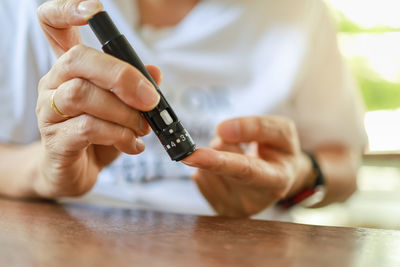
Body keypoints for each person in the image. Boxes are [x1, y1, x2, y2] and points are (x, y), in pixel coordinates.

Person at [0, 0, 367, 219]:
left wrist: (299, 177)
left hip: (244, 244)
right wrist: (45, 171)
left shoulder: (298, 13)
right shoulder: (32, 10)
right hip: (66, 236)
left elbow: (345, 167)